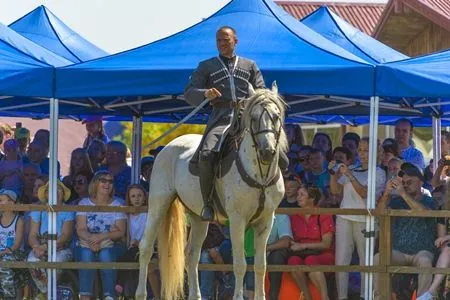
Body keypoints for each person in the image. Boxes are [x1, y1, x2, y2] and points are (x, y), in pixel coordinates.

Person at [184, 26, 287, 221]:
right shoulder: (206, 66)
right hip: (220, 117)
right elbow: (188, 92)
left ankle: (272, 196)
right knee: (206, 154)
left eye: (226, 40)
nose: (222, 44)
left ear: (235, 41)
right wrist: (204, 94)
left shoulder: (250, 65)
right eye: (219, 41)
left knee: (273, 148)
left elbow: (261, 92)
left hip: (248, 117)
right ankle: (207, 203)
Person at [330, 137, 386, 300]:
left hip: (364, 220)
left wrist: (349, 175)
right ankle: (342, 297)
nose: (361, 153)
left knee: (365, 261)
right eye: (360, 150)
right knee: (341, 261)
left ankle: (365, 296)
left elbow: (364, 193)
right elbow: (335, 191)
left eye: (366, 150)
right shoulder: (353, 168)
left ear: (375, 152)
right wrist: (333, 174)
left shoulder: (379, 172)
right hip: (344, 218)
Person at [374, 164, 437, 299]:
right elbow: (378, 214)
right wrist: (386, 194)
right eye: (404, 183)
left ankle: (422, 298)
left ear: (420, 182)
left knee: (425, 261)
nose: (406, 185)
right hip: (400, 252)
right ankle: (381, 297)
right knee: (378, 258)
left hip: (422, 251)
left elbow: (424, 213)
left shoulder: (430, 200)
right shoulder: (397, 201)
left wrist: (402, 193)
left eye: (410, 182)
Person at [76, 170, 127, 300]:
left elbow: (120, 231)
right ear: (95, 183)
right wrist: (92, 240)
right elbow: (81, 229)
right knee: (86, 255)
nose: (107, 184)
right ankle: (85, 296)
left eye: (110, 181)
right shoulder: (84, 203)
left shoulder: (118, 204)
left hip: (112, 244)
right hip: (87, 242)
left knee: (106, 255)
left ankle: (109, 295)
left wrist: (100, 237)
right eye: (103, 180)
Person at [27, 180, 74, 299]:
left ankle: (45, 294)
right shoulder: (38, 209)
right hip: (40, 246)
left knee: (55, 262)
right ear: (46, 194)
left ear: (63, 194)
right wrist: (36, 247)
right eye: (51, 190)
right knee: (32, 260)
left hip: (61, 248)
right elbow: (32, 235)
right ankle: (47, 293)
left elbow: (65, 236)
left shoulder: (68, 210)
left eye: (59, 189)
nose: (55, 192)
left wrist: (46, 247)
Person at [289, 185, 335, 300]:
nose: (298, 197)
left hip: (323, 254)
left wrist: (303, 245)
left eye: (302, 195)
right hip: (302, 254)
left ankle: (325, 297)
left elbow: (326, 244)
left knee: (310, 260)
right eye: (298, 194)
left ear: (312, 198)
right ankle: (307, 296)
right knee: (292, 261)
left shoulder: (323, 214)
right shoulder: (294, 215)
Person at [115, 184, 160, 299]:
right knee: (124, 257)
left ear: (145, 198)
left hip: (148, 247)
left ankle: (120, 283)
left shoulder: (148, 213)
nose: (136, 199)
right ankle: (125, 291)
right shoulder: (128, 214)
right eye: (133, 196)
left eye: (140, 196)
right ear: (129, 199)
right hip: (133, 247)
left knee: (132, 254)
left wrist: (140, 241)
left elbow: (153, 233)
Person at [0, 189, 28, 299]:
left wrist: (3, 252)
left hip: (16, 253)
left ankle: (8, 297)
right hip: (3, 253)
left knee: (3, 264)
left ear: (11, 202)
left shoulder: (19, 220)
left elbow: (16, 244)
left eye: (1, 200)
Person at [266, 214, 293, 300]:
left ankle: (273, 297)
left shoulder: (281, 216)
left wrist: (264, 248)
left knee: (277, 256)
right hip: (251, 252)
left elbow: (286, 242)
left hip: (270, 253)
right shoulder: (249, 213)